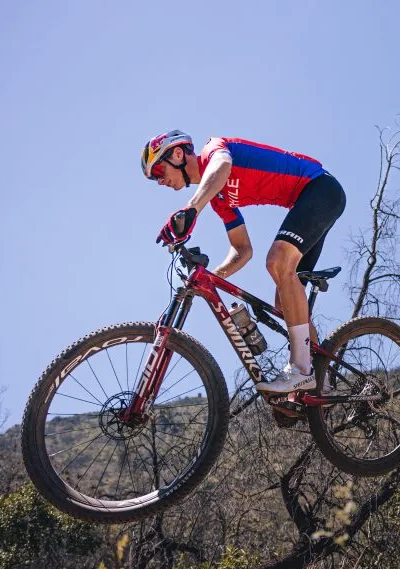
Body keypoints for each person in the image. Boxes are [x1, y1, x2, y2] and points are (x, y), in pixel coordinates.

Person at [141, 130, 346, 393]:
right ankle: (322, 381)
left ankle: (302, 369)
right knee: (285, 303)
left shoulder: (214, 150)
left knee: (277, 261)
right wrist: (212, 278)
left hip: (320, 189)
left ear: (178, 154)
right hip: (307, 203)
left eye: (158, 172)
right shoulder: (218, 197)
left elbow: (223, 166)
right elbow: (242, 249)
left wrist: (191, 209)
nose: (160, 182)